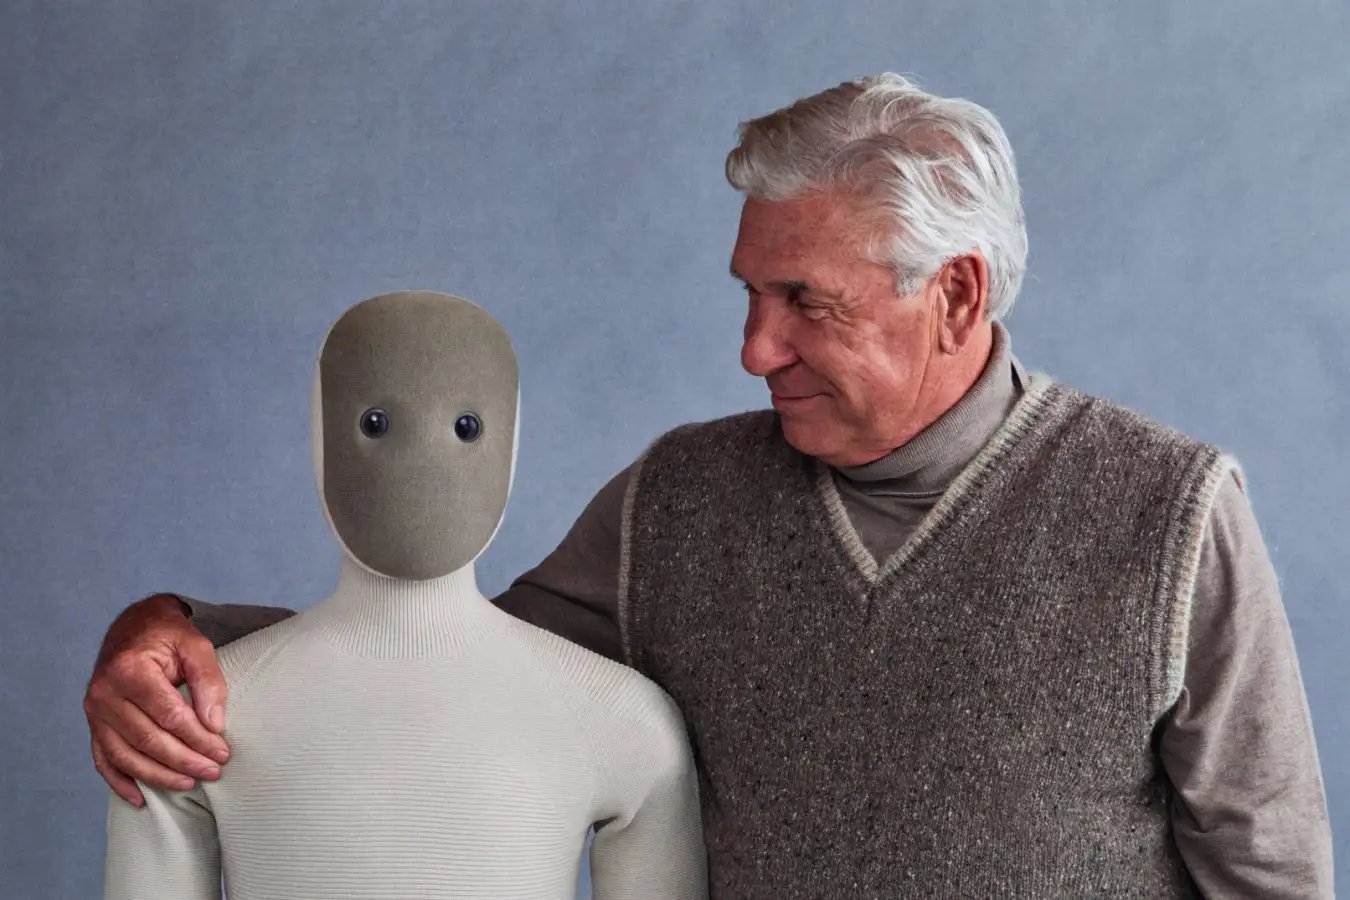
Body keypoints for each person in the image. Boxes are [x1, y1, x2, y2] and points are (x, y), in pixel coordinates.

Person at [86, 74, 1333, 897]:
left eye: (805, 302)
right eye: (749, 293)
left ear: (954, 295)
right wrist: (173, 633)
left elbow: (1269, 873)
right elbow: (451, 670)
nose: (754, 349)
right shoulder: (679, 501)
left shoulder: (1168, 513)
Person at [103, 291, 707, 899]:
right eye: (376, 425)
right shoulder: (176, 726)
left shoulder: (624, 721)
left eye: (465, 428)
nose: (422, 456)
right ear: (322, 429)